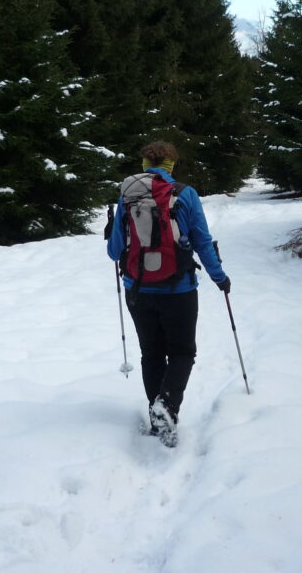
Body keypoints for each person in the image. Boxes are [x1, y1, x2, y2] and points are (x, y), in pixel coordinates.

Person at [106, 141, 230, 446]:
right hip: (179, 288)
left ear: (145, 162)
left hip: (137, 289)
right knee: (182, 352)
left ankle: (157, 420)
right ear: (172, 164)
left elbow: (114, 252)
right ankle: (168, 407)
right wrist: (220, 277)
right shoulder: (185, 194)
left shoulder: (128, 196)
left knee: (152, 354)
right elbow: (202, 241)